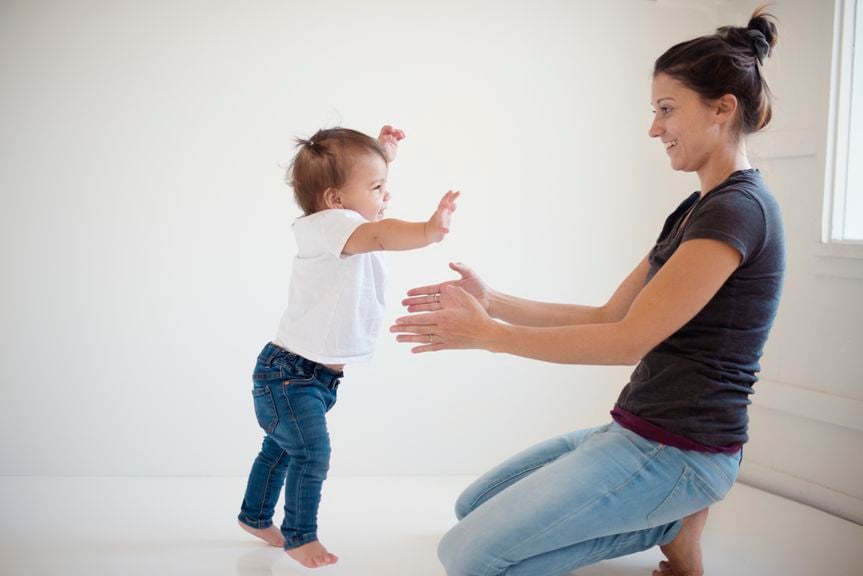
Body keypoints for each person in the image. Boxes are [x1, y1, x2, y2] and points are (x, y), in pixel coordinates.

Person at [390, 8, 783, 576]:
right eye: (655, 111)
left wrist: (488, 336)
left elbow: (626, 343)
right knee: (470, 509)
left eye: (667, 110)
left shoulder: (738, 212)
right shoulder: (697, 209)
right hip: (636, 428)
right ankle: (669, 521)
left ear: (723, 108)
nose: (655, 128)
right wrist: (493, 302)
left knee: (469, 558)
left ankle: (674, 516)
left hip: (681, 451)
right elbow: (612, 315)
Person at [238, 125, 459, 568]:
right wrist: (427, 230)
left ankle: (254, 516)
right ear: (335, 200)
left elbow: (367, 213)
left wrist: (383, 157)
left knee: (281, 449)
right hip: (291, 375)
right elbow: (381, 234)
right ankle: (300, 536)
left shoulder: (338, 223)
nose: (386, 196)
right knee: (311, 453)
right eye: (377, 187)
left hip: (304, 374)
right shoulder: (335, 226)